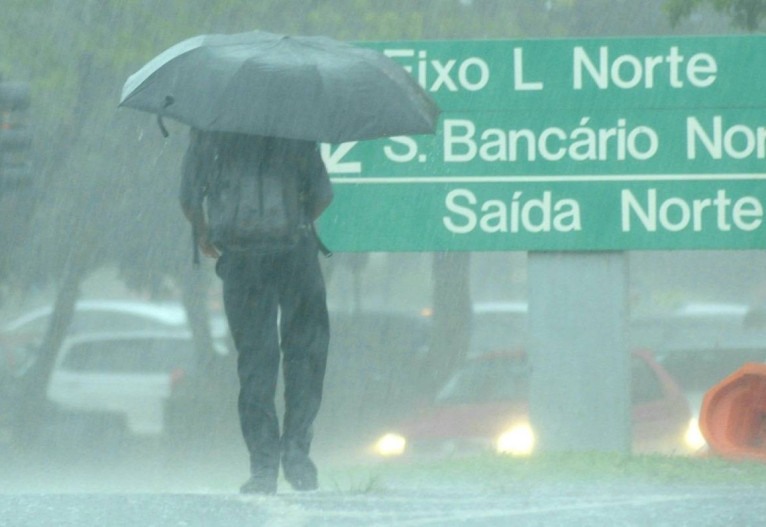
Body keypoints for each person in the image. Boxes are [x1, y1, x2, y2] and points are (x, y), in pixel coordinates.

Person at [180, 128, 333, 495]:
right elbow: (323, 197)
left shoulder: (209, 130)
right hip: (296, 256)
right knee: (305, 355)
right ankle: (296, 455)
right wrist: (295, 222)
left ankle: (263, 467)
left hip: (242, 259)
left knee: (256, 363)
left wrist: (205, 232)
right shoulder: (296, 129)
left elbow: (188, 199)